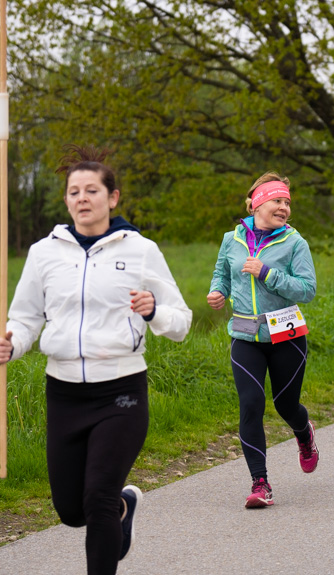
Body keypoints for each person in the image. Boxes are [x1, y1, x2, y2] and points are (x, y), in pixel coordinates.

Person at [0, 145, 192, 575]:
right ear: (66, 200)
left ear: (113, 197)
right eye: (73, 192)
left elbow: (180, 321)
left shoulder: (141, 251)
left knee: (98, 500)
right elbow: (26, 317)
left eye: (91, 190)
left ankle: (111, 510)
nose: (82, 198)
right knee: (71, 509)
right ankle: (125, 507)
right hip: (63, 392)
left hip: (120, 391)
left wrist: (153, 310)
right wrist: (14, 343)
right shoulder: (43, 253)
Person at [208, 172, 319, 509]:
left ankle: (304, 434)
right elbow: (222, 273)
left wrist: (267, 273)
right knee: (251, 405)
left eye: (287, 202)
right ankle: (260, 483)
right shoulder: (232, 239)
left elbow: (307, 289)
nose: (284, 207)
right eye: (277, 201)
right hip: (244, 335)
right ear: (257, 203)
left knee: (286, 405)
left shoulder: (295, 243)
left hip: (286, 336)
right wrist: (218, 291)